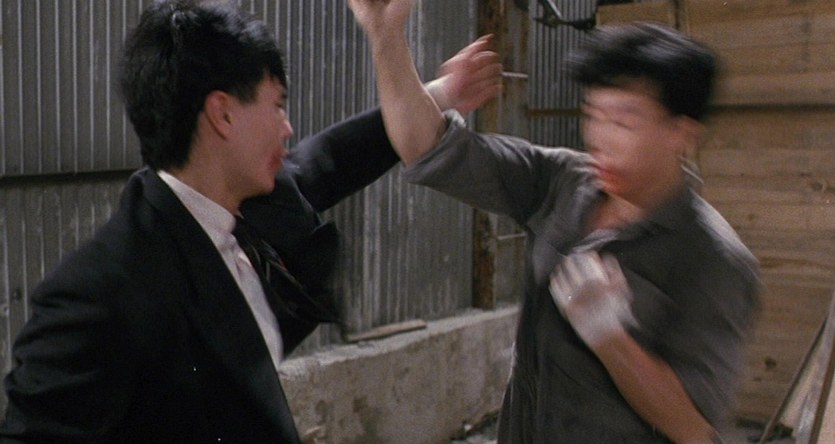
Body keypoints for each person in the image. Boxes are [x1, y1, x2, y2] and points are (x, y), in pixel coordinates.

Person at [0, 0, 499, 442]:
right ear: (223, 115)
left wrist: (437, 94)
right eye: (276, 105)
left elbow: (329, 161)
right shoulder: (99, 293)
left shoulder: (241, 208)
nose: (287, 127)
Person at [347, 0, 761, 442]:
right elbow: (426, 147)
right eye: (592, 115)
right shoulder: (563, 181)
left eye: (623, 122)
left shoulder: (714, 260)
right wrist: (386, 37)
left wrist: (610, 336)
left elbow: (694, 430)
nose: (598, 138)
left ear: (683, 133)